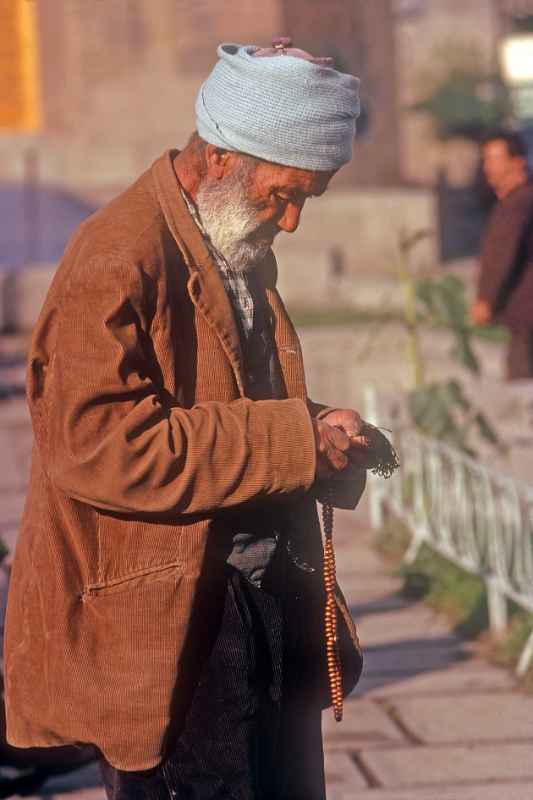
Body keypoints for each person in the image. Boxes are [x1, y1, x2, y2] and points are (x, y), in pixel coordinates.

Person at [4, 40, 370, 800]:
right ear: (218, 159)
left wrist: (317, 425)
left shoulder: (231, 237)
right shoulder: (117, 255)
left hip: (258, 600)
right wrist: (292, 439)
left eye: (310, 197)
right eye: (283, 194)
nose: (293, 221)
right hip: (176, 626)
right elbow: (102, 445)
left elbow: (227, 403)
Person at [471, 130, 533, 379]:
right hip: (522, 315)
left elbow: (503, 253)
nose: (488, 167)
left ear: (517, 162)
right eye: (486, 160)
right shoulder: (517, 201)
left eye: (495, 159)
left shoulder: (519, 203)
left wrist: (486, 299)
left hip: (526, 314)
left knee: (523, 389)